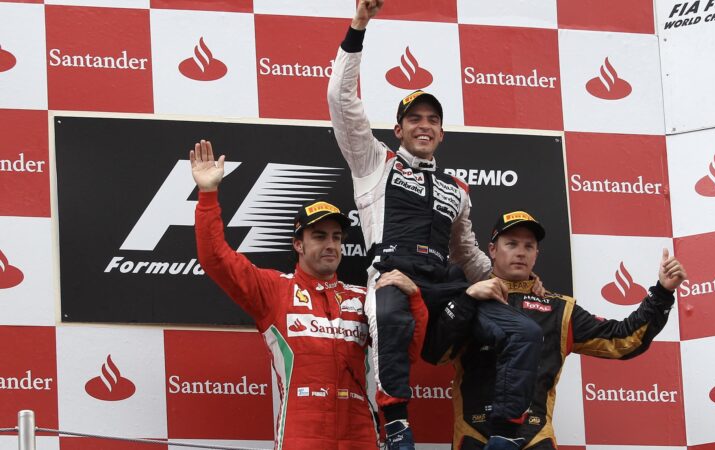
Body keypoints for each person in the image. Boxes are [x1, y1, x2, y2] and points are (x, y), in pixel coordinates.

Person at [327, 2, 544, 448]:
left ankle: (503, 434)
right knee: (388, 308)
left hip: (443, 291)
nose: (423, 126)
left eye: (432, 120)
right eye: (414, 120)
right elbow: (340, 99)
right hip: (392, 280)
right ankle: (396, 425)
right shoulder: (374, 163)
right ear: (399, 130)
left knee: (524, 330)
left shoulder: (457, 187)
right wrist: (358, 27)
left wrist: (519, 281)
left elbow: (467, 254)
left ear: (442, 133)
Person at [190, 139, 426, 450]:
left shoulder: (364, 297)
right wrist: (208, 195)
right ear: (298, 245)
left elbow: (404, 355)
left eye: (336, 237)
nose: (330, 244)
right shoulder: (275, 290)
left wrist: (416, 301)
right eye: (319, 236)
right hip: (302, 434)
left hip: (360, 434)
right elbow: (215, 259)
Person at [433, 210, 687, 449]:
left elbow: (622, 340)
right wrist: (467, 300)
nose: (520, 252)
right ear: (492, 250)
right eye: (511, 244)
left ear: (536, 254)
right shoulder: (469, 299)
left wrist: (662, 293)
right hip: (475, 434)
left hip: (534, 437)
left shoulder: (559, 309)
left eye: (528, 246)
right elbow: (436, 353)